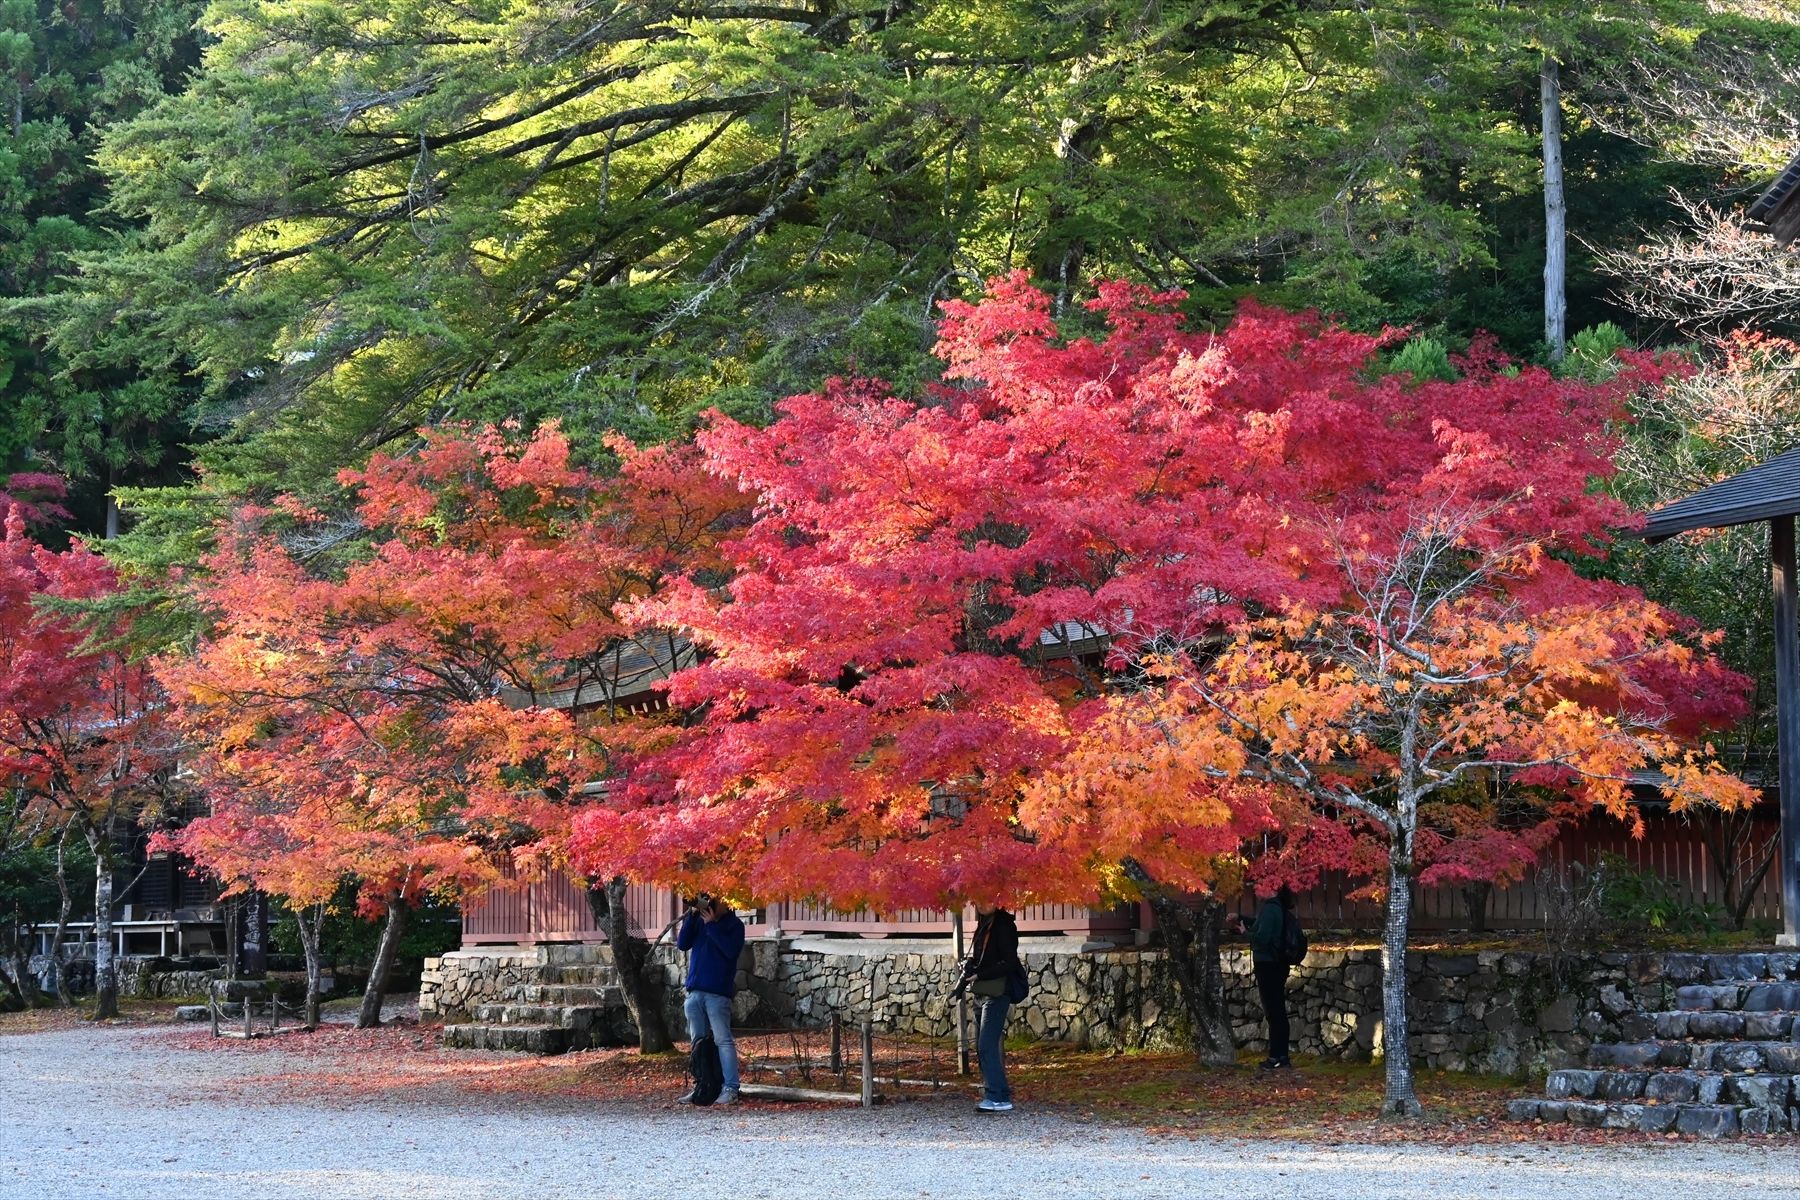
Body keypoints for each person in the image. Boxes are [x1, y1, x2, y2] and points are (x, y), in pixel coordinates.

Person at [676, 895, 745, 1105]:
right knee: (698, 1042)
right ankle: (702, 1085)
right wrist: (692, 916)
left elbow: (731, 952)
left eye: (716, 901)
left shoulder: (734, 925)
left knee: (723, 1040)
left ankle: (731, 1087)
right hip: (695, 991)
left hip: (717, 993)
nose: (712, 905)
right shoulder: (699, 921)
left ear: (728, 903)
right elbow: (682, 944)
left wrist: (712, 926)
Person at [955, 904, 1020, 1113]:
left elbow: (1010, 962)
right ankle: (998, 1092)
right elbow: (986, 958)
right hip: (983, 992)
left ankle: (998, 1097)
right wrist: (972, 965)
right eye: (977, 898)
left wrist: (981, 974)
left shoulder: (1003, 926)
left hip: (997, 992)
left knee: (986, 1045)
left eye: (986, 897)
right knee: (982, 1046)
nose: (980, 902)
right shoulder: (985, 924)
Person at [1243, 885, 1296, 1069]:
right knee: (1278, 1011)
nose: (1257, 891)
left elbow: (1261, 938)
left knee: (1274, 1013)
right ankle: (1282, 1056)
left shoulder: (1270, 909)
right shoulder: (1277, 908)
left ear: (1271, 889)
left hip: (1268, 964)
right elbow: (1260, 925)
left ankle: (1275, 1057)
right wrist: (1242, 920)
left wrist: (1244, 933)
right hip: (1277, 964)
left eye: (1259, 887)